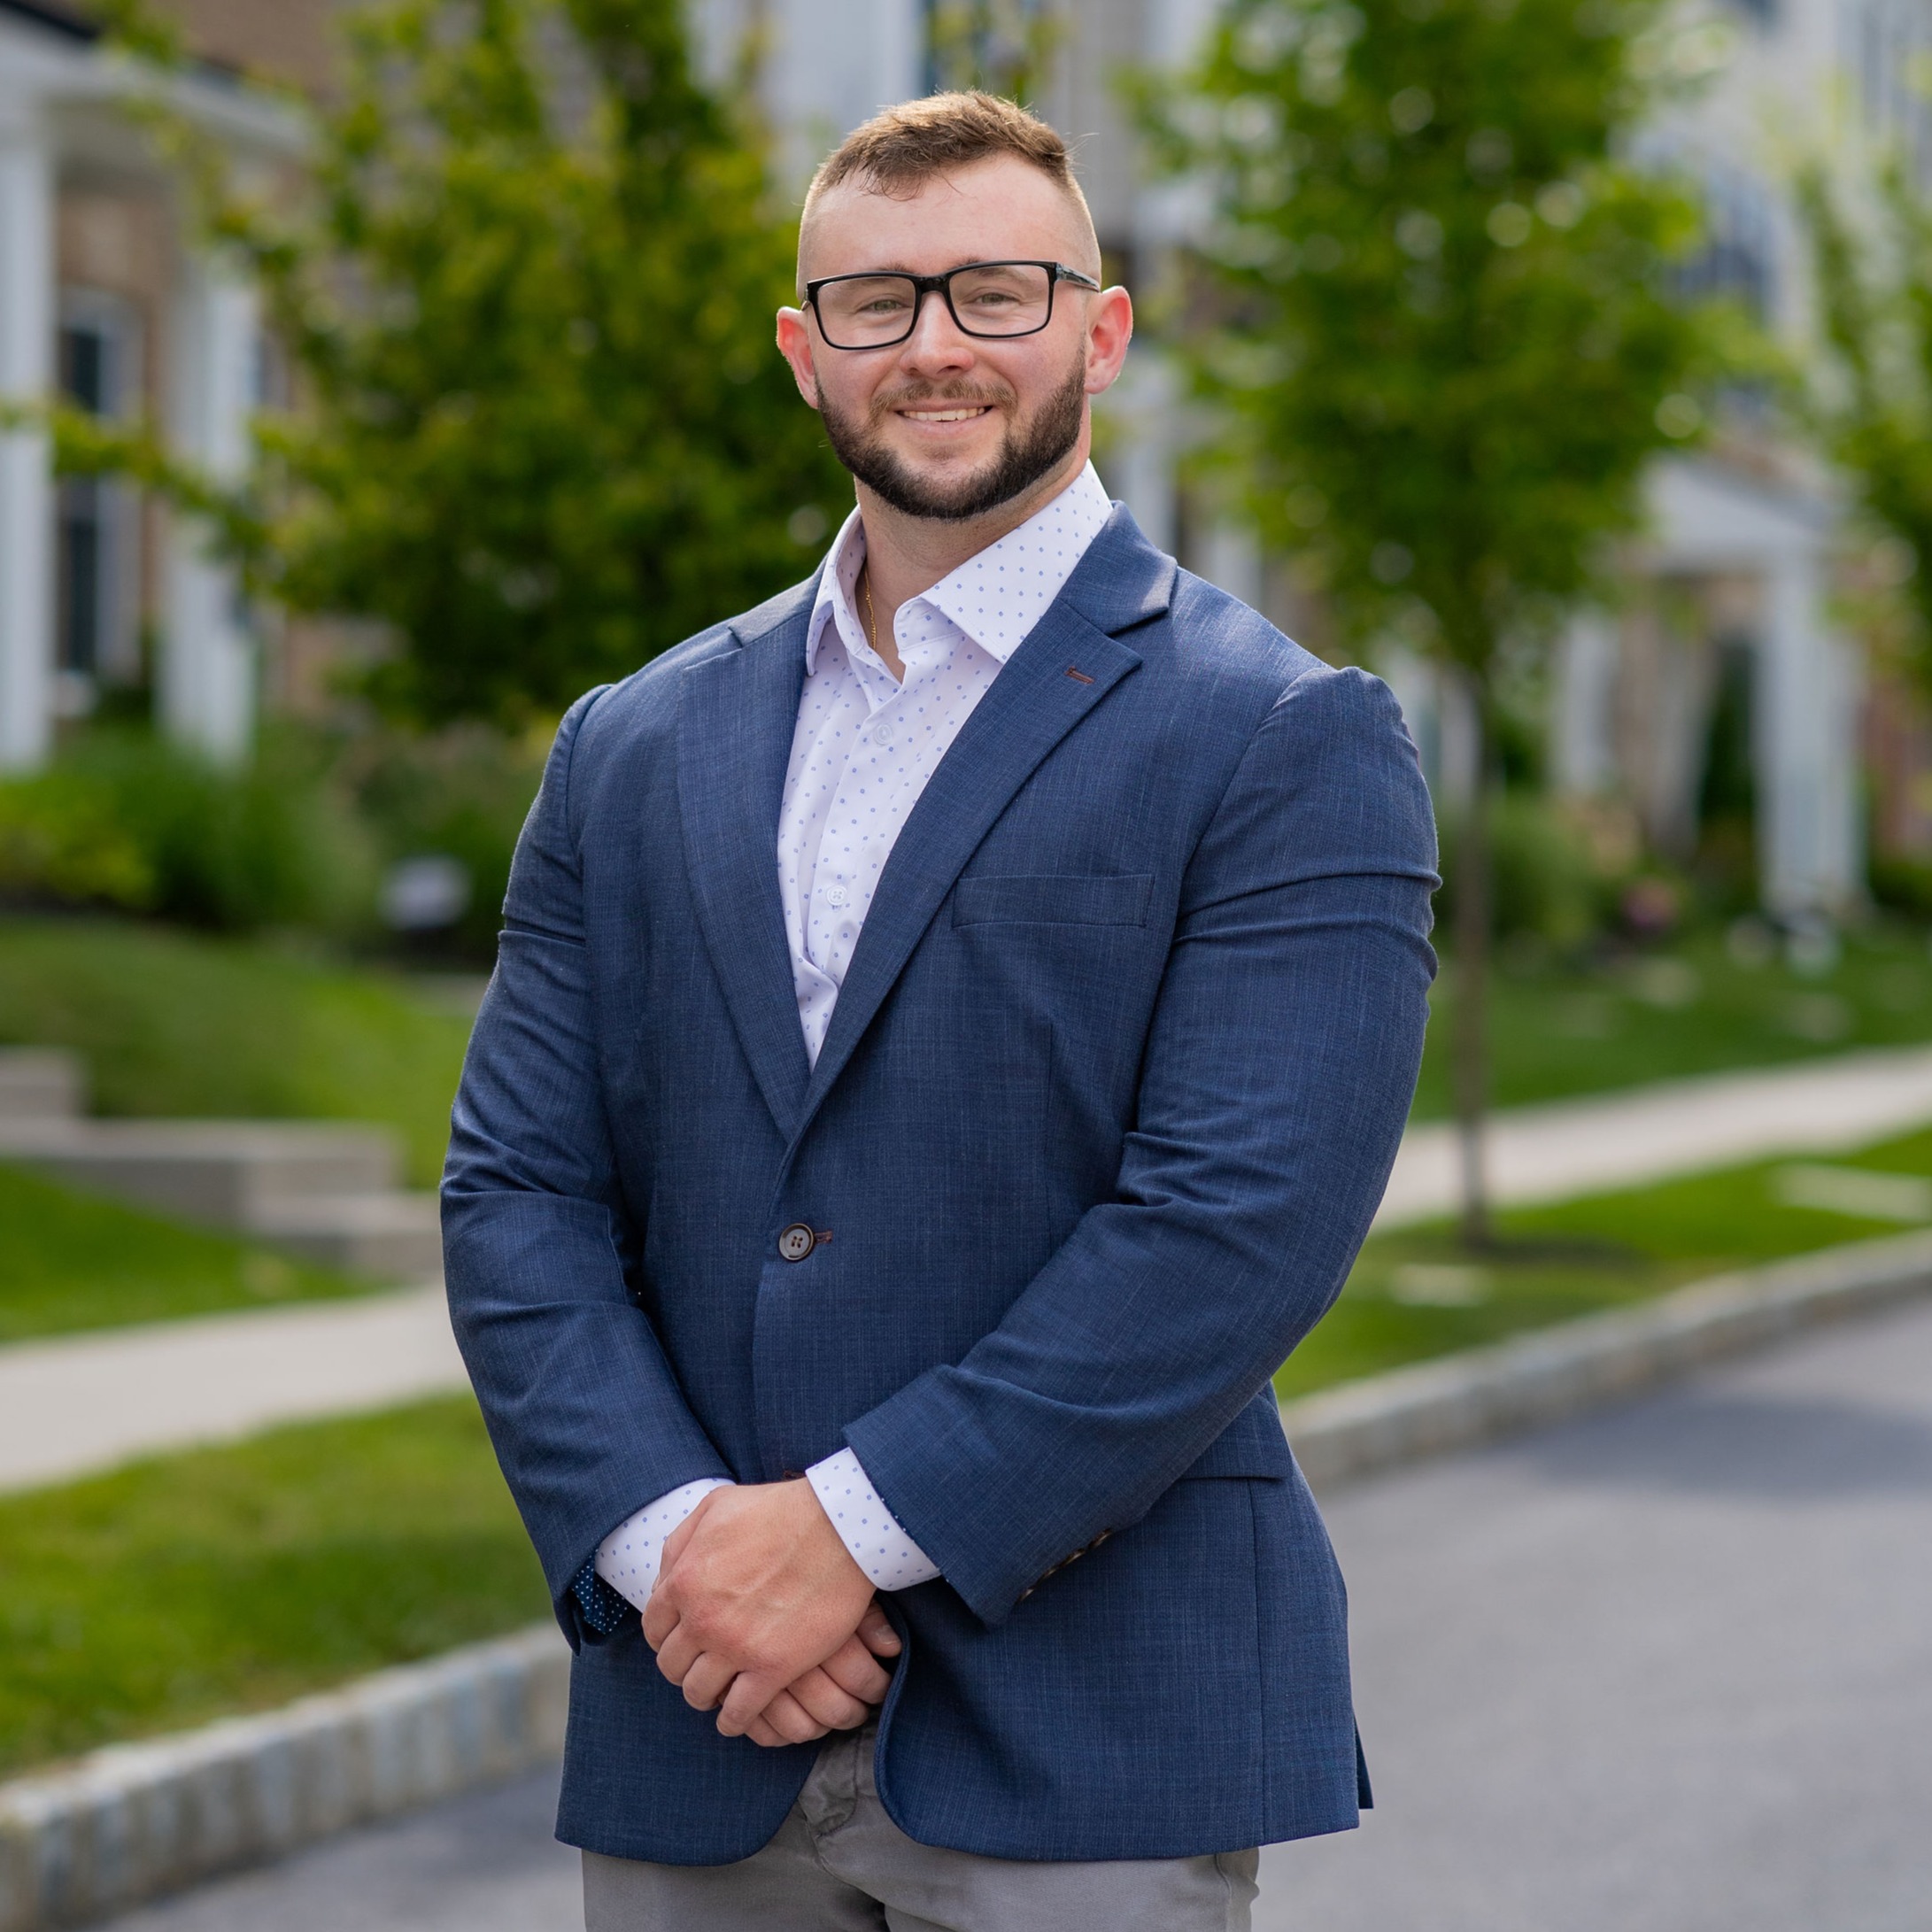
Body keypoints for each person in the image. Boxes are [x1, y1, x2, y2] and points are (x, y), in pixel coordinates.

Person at [444, 89, 1437, 1932]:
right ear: (799, 349)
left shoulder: (1283, 732)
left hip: (1086, 1721)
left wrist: (834, 1537)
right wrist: (681, 1553)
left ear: (1099, 328)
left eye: (995, 292)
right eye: (877, 302)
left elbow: (1233, 1223)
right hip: (698, 1715)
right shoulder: (628, 741)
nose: (935, 348)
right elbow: (517, 1190)